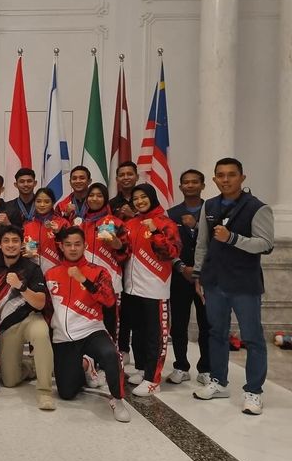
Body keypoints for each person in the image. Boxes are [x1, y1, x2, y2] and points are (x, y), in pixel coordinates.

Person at [193, 158, 274, 415]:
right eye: (220, 175)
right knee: (217, 333)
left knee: (253, 338)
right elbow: (203, 244)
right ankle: (219, 381)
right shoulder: (210, 205)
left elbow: (266, 244)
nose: (226, 179)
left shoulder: (258, 208)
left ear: (242, 177)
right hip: (214, 281)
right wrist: (198, 275)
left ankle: (253, 392)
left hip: (244, 284)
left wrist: (233, 238)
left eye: (231, 175)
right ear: (215, 179)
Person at [45, 227, 130, 422]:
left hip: (92, 331)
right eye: (68, 245)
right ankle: (87, 364)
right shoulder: (51, 273)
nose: (73, 249)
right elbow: (48, 308)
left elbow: (109, 300)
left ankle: (117, 399)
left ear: (85, 245)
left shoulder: (98, 271)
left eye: (77, 244)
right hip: (63, 338)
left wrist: (84, 280)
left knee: (110, 354)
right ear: (61, 247)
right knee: (66, 393)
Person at [0, 225, 53, 410]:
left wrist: (21, 287)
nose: (11, 245)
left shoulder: (32, 268)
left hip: (30, 318)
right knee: (9, 381)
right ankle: (31, 367)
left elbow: (41, 303)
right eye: (6, 241)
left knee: (41, 335)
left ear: (21, 244)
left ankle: (45, 392)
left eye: (15, 241)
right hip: (7, 326)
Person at [118, 184, 180, 397]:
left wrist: (155, 231)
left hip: (155, 289)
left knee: (156, 335)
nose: (140, 201)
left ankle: (153, 379)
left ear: (152, 198)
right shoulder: (132, 222)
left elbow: (171, 251)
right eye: (136, 198)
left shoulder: (165, 222)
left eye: (144, 197)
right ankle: (143, 369)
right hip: (132, 288)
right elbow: (124, 252)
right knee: (139, 332)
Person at [166, 170, 211, 385]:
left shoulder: (213, 211)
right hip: (180, 276)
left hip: (208, 278)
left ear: (203, 185)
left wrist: (196, 226)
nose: (190, 185)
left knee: (207, 324)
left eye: (195, 182)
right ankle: (181, 365)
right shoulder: (171, 213)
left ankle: (206, 368)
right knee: (179, 324)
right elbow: (166, 246)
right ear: (180, 187)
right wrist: (180, 266)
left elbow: (218, 243)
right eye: (186, 182)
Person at [79, 183, 127, 347]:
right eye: (91, 195)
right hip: (85, 282)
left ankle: (112, 361)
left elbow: (126, 252)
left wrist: (116, 243)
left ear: (105, 199)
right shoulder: (81, 223)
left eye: (99, 195)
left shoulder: (115, 222)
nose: (94, 199)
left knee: (110, 324)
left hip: (110, 283)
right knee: (87, 322)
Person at [22, 188, 69, 274]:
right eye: (38, 201)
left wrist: (59, 233)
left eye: (47, 202)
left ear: (53, 203)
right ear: (34, 203)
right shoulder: (27, 226)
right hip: (33, 274)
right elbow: (22, 250)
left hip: (57, 272)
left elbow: (70, 249)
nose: (42, 205)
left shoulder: (62, 223)